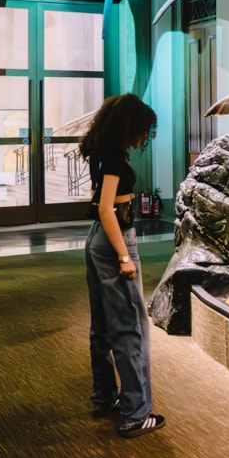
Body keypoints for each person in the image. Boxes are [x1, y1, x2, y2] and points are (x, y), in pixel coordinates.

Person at [79, 93, 164, 438]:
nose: (144, 136)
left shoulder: (99, 148)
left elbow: (97, 203)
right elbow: (106, 208)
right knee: (130, 326)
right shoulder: (114, 155)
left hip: (96, 240)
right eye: (143, 129)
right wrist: (125, 257)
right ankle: (136, 412)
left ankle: (105, 394)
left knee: (101, 322)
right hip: (114, 239)